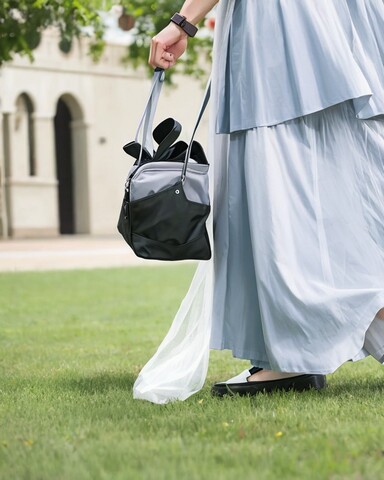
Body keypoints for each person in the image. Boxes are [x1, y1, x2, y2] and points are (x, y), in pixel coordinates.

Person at [135, 0, 384, 401]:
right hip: (336, 17)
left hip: (280, 23)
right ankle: (292, 351)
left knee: (279, 181)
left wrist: (183, 21)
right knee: (342, 167)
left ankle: (296, 353)